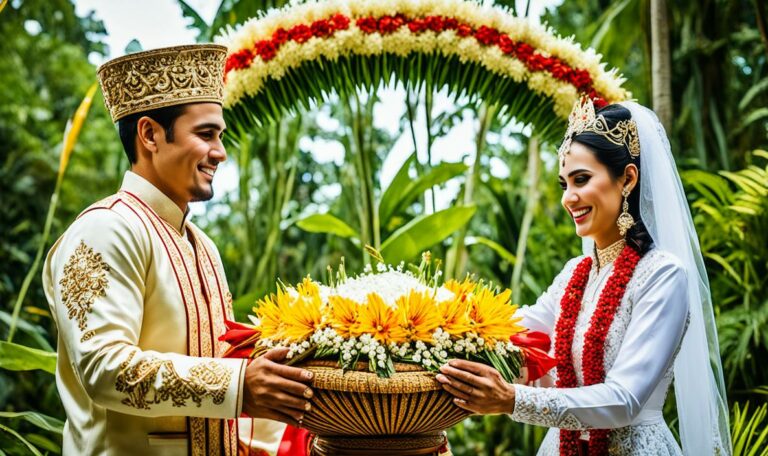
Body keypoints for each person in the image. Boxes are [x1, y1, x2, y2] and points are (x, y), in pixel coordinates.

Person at [42, 44, 313, 455]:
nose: (220, 152)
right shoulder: (106, 229)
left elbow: (225, 365)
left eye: (220, 136)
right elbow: (103, 370)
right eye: (206, 135)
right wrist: (240, 385)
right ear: (149, 134)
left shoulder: (202, 246)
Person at [436, 99, 731, 455]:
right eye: (563, 183)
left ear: (628, 179)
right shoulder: (574, 275)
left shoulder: (663, 275)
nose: (568, 198)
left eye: (581, 179)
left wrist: (511, 399)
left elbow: (624, 400)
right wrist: (437, 327)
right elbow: (514, 332)